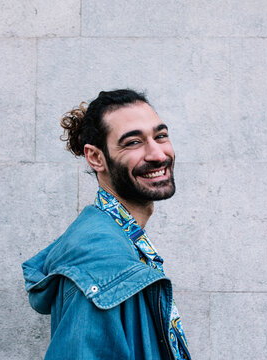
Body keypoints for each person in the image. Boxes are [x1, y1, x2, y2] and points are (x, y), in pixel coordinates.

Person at [22, 89, 191, 360]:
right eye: (134, 142)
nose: (158, 154)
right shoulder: (99, 265)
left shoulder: (122, 240)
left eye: (160, 136)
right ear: (96, 158)